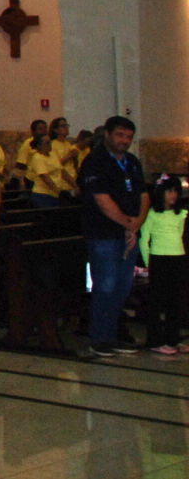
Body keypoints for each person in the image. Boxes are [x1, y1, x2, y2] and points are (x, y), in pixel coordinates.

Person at [81, 116, 146, 359]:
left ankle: (114, 333)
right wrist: (128, 224)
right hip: (103, 234)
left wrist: (136, 224)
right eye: (120, 135)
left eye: (129, 137)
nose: (124, 141)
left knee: (123, 286)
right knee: (106, 285)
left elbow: (143, 195)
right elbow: (102, 200)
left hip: (128, 233)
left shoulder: (132, 162)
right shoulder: (95, 161)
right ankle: (100, 337)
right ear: (107, 134)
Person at [140, 178, 185, 356]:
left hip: (177, 257)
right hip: (158, 258)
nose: (173, 195)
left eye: (176, 191)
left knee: (175, 301)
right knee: (157, 301)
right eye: (169, 191)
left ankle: (172, 339)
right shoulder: (152, 213)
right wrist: (148, 263)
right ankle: (154, 340)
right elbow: (144, 240)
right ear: (161, 193)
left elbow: (179, 235)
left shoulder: (181, 213)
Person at [23, 131, 64, 205]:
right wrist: (57, 190)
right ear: (39, 145)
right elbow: (44, 177)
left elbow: (62, 171)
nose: (50, 145)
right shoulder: (37, 157)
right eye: (47, 143)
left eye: (50, 142)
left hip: (55, 194)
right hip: (43, 194)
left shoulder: (53, 155)